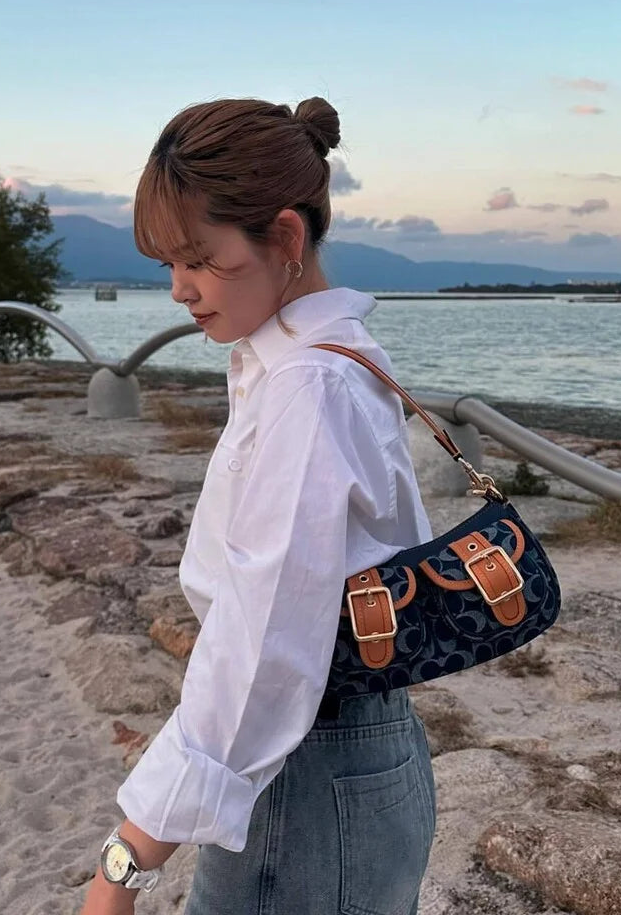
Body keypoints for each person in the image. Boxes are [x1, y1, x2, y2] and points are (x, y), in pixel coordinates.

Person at [79, 97, 436, 915]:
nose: (180, 290)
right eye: (168, 265)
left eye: (199, 260)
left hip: (308, 771)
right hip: (341, 754)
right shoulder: (312, 361)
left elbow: (263, 646)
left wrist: (124, 863)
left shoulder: (308, 383)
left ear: (283, 237)